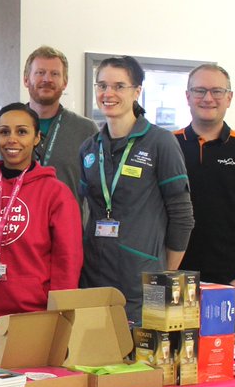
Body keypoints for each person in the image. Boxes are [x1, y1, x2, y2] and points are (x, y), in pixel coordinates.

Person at [0, 103, 83, 345]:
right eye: (4, 132)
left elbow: (67, 265)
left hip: (35, 321)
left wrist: (60, 322)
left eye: (22, 132)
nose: (12, 139)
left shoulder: (57, 194)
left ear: (36, 138)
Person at [78, 56, 194, 324]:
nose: (108, 93)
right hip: (94, 278)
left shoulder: (159, 142)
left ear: (137, 92)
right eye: (102, 85)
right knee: (97, 361)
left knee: (142, 362)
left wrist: (164, 274)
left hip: (143, 281)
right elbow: (83, 210)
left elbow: (182, 215)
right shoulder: (89, 148)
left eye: (119, 86)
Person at [174, 64, 235, 336]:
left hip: (229, 284)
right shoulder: (167, 145)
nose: (208, 98)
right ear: (187, 96)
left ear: (229, 98)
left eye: (217, 91)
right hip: (174, 281)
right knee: (171, 370)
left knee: (228, 367)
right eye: (200, 90)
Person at [0, 46, 98, 198]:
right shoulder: (2, 129)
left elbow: (96, 191)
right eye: (40, 73)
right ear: (26, 79)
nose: (47, 79)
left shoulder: (85, 130)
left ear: (65, 82)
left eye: (54, 74)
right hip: (13, 219)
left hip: (65, 220)